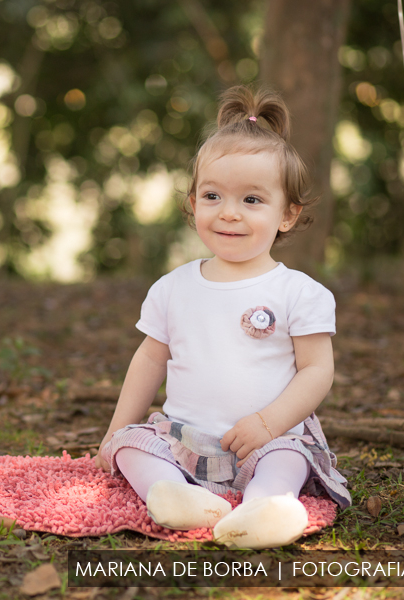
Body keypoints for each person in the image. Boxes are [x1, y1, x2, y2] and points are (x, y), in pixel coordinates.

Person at [94, 85, 351, 550]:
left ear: (287, 215)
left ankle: (266, 505)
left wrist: (270, 423)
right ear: (193, 204)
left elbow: (318, 370)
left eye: (251, 200)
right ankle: (170, 495)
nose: (229, 213)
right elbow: (150, 360)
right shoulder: (172, 288)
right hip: (184, 441)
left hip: (266, 440)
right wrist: (115, 431)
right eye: (213, 196)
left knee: (290, 457)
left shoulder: (298, 292)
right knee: (131, 445)